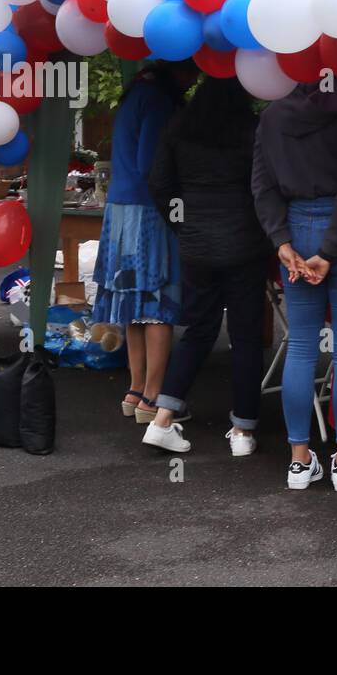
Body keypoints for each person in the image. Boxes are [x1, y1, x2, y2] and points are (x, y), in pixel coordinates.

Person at [252, 79, 337, 491]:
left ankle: (299, 461)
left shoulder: (270, 116)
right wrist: (333, 249)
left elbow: (262, 187)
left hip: (298, 232)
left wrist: (282, 242)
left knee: (302, 348)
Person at [141, 77, 272, 455]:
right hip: (245, 243)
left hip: (196, 246)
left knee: (199, 330)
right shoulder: (251, 129)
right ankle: (243, 432)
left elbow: (159, 184)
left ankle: (162, 419)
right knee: (245, 337)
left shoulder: (179, 126)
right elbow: (264, 186)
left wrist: (181, 224)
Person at [93, 60, 199, 424]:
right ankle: (154, 397)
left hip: (120, 209)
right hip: (148, 211)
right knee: (157, 305)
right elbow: (151, 164)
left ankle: (135, 390)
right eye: (191, 73)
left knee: (134, 304)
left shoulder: (136, 92)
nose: (193, 81)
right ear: (176, 70)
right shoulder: (158, 101)